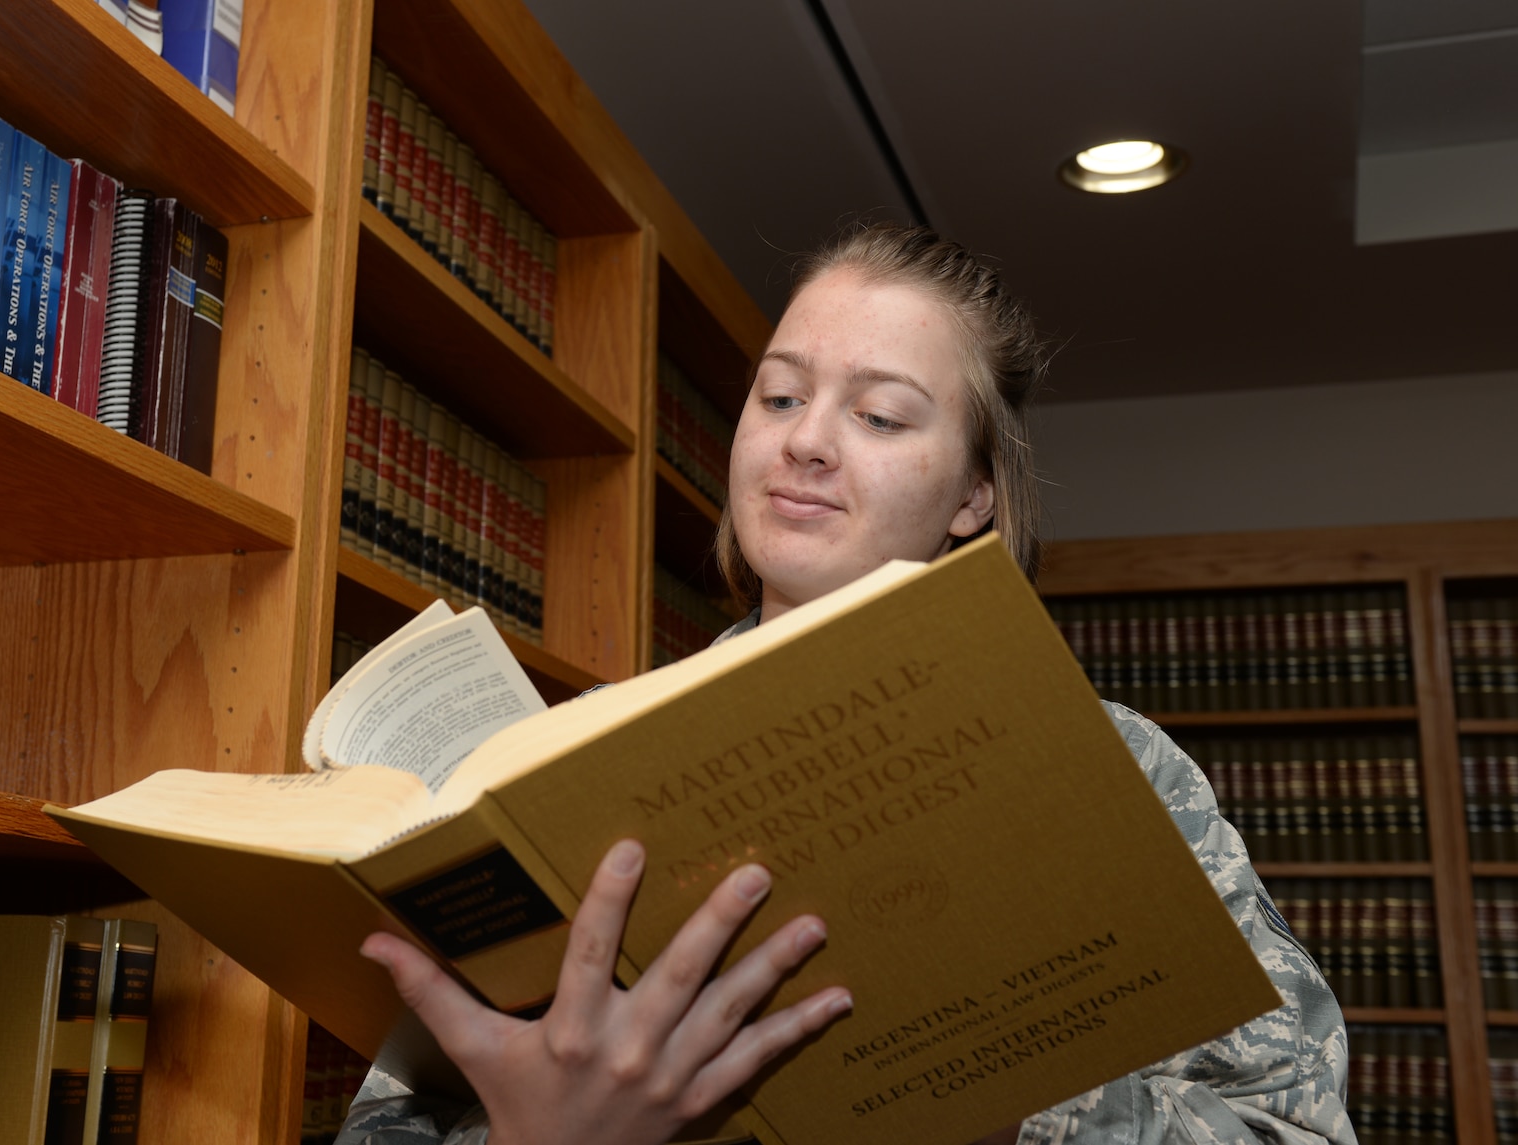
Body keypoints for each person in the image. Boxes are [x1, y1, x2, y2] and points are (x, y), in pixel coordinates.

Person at [342, 224, 1355, 1145]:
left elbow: (1293, 1131)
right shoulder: (566, 770)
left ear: (969, 495)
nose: (806, 439)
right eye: (778, 396)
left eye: (877, 414)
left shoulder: (1115, 766)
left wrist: (987, 1111)